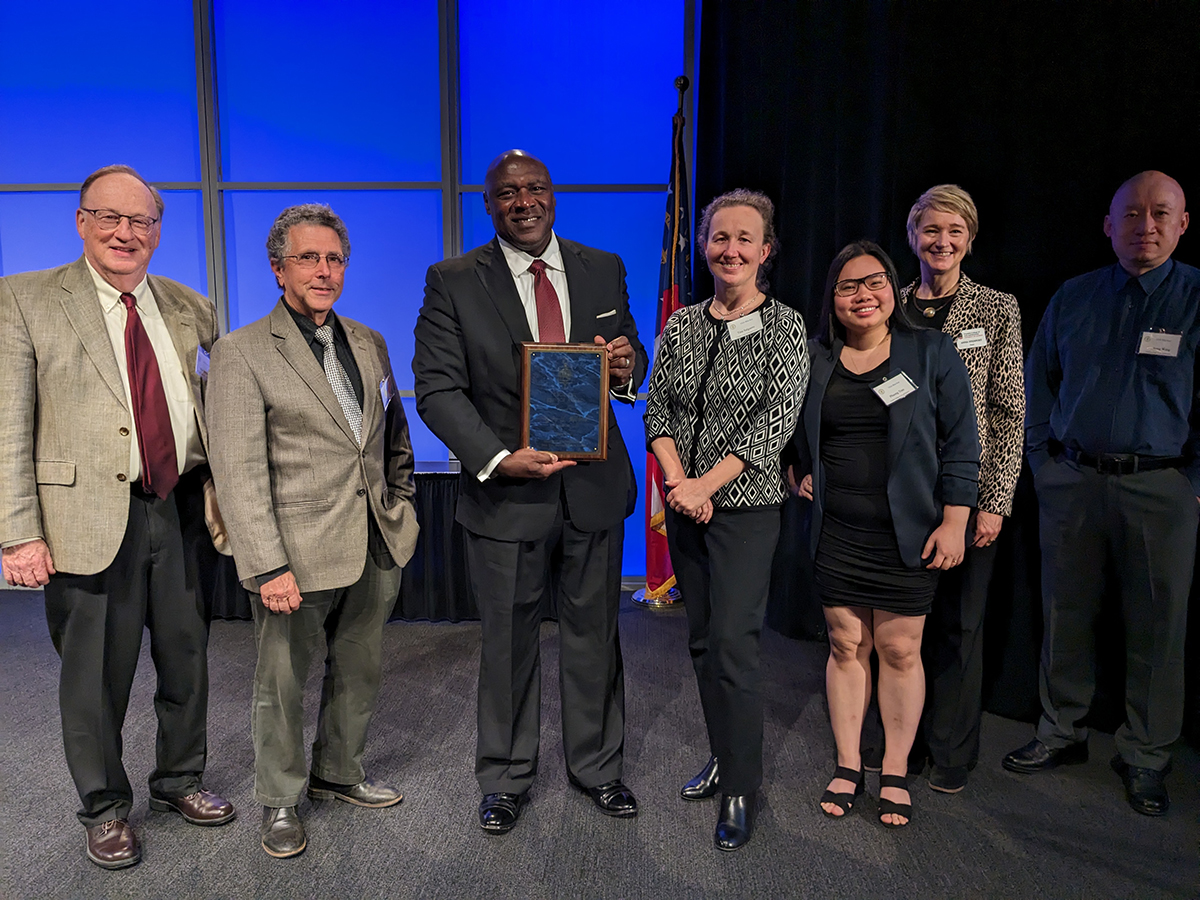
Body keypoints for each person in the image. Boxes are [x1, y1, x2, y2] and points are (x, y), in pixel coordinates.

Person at [0, 164, 234, 869]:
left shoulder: (190, 305)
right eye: (109, 217)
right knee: (96, 676)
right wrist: (18, 531)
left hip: (179, 507)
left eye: (140, 222)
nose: (125, 233)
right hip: (84, 518)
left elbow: (212, 404)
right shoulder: (26, 299)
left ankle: (179, 781)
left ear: (159, 233)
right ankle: (104, 808)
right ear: (81, 222)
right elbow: (9, 424)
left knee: (187, 658)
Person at [413, 150, 646, 835]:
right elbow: (437, 389)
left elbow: (624, 356)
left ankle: (598, 768)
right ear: (489, 205)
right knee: (509, 644)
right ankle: (507, 777)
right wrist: (496, 457)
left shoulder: (603, 266)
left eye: (535, 188)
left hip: (593, 490)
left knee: (595, 637)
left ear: (553, 195)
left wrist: (628, 364)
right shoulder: (452, 280)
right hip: (507, 495)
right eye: (507, 192)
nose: (524, 200)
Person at [206, 203, 419, 858]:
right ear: (278, 269)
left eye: (333, 259)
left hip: (376, 539)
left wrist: (402, 502)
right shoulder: (241, 353)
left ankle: (338, 772)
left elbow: (391, 437)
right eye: (308, 258)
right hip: (293, 554)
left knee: (360, 668)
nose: (324, 271)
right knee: (282, 682)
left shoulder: (368, 341)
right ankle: (278, 799)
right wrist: (266, 565)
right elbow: (237, 472)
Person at [1004, 171, 1197, 817]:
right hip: (1074, 482)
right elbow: (1039, 383)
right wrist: (1043, 463)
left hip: (1160, 488)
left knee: (1156, 628)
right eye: (1133, 214)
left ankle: (1144, 754)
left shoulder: (1197, 298)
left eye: (1160, 214)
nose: (1147, 226)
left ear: (1183, 222)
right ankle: (1060, 732)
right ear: (1109, 226)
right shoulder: (1075, 296)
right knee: (1065, 615)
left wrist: (1191, 486)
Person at [644, 189, 809, 851]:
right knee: (703, 644)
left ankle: (742, 786)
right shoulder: (682, 325)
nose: (731, 250)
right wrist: (680, 485)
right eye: (720, 238)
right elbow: (658, 412)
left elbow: (774, 422)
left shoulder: (787, 325)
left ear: (766, 250)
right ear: (704, 246)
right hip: (687, 507)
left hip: (746, 511)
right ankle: (723, 753)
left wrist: (708, 484)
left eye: (746, 239)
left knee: (736, 649)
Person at [793, 241, 979, 827]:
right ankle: (849, 762)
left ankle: (894, 767)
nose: (862, 295)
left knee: (900, 650)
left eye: (873, 282)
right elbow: (791, 426)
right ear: (833, 299)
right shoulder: (816, 356)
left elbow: (963, 443)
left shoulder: (931, 352)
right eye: (848, 286)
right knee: (846, 646)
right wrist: (797, 471)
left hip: (909, 533)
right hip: (837, 530)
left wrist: (956, 520)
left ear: (891, 289)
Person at [897, 185, 1025, 793]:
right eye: (930, 230)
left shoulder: (997, 310)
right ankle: (904, 744)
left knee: (958, 626)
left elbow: (1007, 411)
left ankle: (950, 750)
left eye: (954, 230)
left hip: (968, 499)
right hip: (900, 497)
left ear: (969, 238)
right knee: (900, 628)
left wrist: (993, 501)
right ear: (912, 237)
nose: (941, 241)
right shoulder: (889, 305)